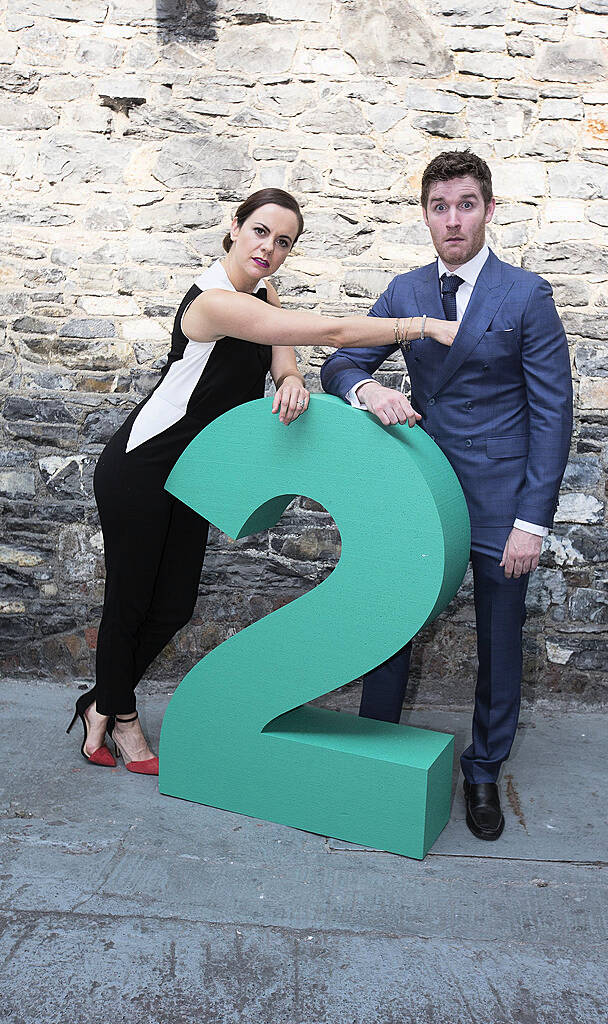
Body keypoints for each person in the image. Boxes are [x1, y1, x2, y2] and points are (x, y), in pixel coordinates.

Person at [67, 186, 458, 776]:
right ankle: (120, 720)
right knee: (130, 600)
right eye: (260, 233)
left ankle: (98, 699)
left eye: (283, 242)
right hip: (143, 467)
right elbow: (329, 333)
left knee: (173, 605)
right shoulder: (212, 301)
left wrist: (292, 376)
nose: (269, 249)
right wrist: (421, 324)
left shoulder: (263, 294)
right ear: (234, 226)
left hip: (196, 471)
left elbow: (280, 350)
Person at [321, 151, 573, 841]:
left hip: (501, 497)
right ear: (425, 214)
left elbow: (552, 414)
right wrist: (366, 388)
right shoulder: (403, 292)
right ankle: (372, 754)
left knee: (498, 639)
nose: (452, 219)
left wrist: (532, 521)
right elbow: (339, 359)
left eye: (465, 204)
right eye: (439, 206)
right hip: (421, 486)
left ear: (489, 210)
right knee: (392, 619)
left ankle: (483, 770)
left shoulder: (526, 295)